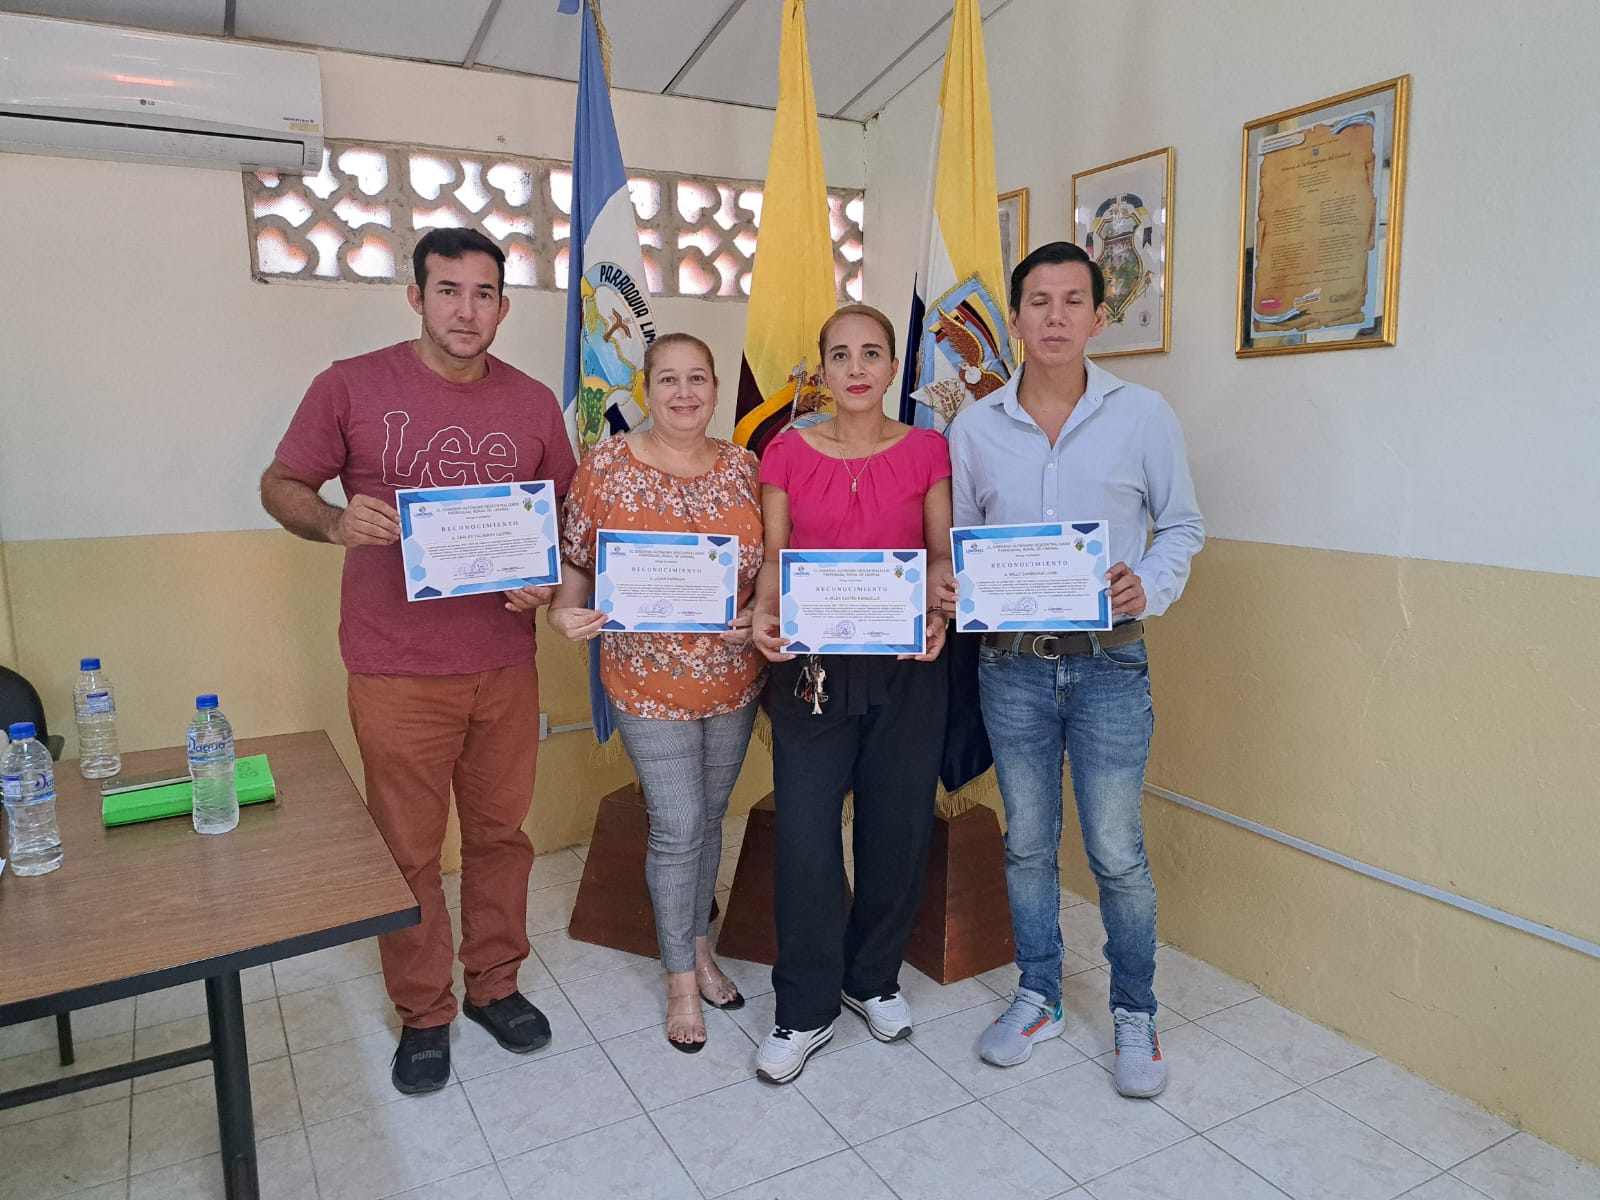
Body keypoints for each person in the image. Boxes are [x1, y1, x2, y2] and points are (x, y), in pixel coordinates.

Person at [260, 227, 575, 1095]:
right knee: (407, 849)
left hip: (503, 660)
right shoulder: (351, 385)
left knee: (502, 836)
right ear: (416, 297)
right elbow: (280, 485)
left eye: (484, 294)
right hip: (395, 664)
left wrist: (547, 576)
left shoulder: (533, 402)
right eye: (448, 291)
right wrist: (334, 522)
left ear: (503, 307)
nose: (466, 311)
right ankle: (423, 1011)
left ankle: (495, 984)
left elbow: (564, 517)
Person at [942, 241, 1203, 1097]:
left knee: (1117, 851)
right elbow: (963, 542)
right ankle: (1039, 995)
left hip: (1109, 665)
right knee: (1025, 843)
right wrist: (953, 582)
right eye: (1038, 302)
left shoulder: (1143, 415)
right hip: (1011, 668)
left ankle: (1134, 1010)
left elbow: (1182, 525)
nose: (1055, 317)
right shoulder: (974, 428)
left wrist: (1148, 583)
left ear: (1097, 316)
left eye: (1073, 301)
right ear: (1015, 319)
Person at [750, 304, 951, 1085]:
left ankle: (872, 978)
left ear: (894, 366)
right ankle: (804, 1007)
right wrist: (764, 614)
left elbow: (938, 556)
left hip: (905, 663)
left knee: (897, 829)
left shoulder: (928, 449)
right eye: (840, 355)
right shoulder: (786, 450)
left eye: (872, 353)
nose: (857, 368)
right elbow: (775, 556)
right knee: (805, 835)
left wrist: (938, 610)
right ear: (822, 369)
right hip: (811, 667)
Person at [547, 333, 764, 1053]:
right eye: (668, 379)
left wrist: (757, 613)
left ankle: (699, 948)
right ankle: (680, 981)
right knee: (677, 823)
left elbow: (766, 564)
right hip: (645, 681)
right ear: (645, 389)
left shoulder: (744, 467)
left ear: (715, 388)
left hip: (733, 677)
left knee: (709, 818)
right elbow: (577, 560)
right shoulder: (606, 464)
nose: (684, 392)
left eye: (698, 378)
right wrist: (561, 613)